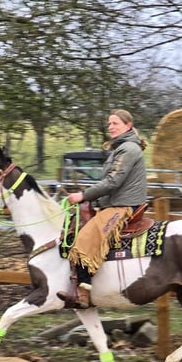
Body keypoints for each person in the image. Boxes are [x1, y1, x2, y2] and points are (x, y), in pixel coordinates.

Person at [58, 109, 148, 309]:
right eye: (109, 123)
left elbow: (113, 181)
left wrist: (83, 195)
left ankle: (83, 293)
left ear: (128, 126)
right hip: (116, 202)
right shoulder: (121, 148)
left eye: (115, 123)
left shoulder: (128, 149)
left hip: (124, 205)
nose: (111, 127)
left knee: (85, 237)